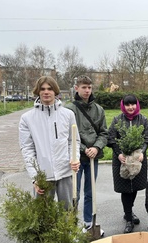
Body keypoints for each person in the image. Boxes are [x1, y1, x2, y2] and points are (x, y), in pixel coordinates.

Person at [19, 76, 80, 210]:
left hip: (65, 172)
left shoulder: (68, 115)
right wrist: (35, 177)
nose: (46, 92)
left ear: (55, 91)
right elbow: (27, 149)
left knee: (67, 213)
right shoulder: (27, 119)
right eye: (43, 89)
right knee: (42, 215)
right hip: (42, 175)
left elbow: (73, 140)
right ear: (37, 91)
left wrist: (74, 158)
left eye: (50, 89)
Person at [65, 75, 108, 234]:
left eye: (89, 87)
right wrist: (83, 148)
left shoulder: (99, 110)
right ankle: (71, 225)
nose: (87, 90)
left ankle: (88, 223)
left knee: (90, 192)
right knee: (74, 193)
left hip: (93, 157)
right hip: (76, 158)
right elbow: (68, 135)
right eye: (84, 87)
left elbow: (104, 133)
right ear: (77, 88)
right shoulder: (69, 109)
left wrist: (96, 148)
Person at [107, 94, 148, 233]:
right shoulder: (117, 120)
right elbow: (111, 138)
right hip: (122, 159)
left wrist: (142, 152)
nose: (130, 107)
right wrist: (119, 153)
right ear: (123, 105)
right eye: (127, 104)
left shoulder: (143, 120)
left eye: (133, 104)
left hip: (138, 159)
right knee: (125, 188)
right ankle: (128, 218)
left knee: (135, 187)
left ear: (137, 105)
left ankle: (129, 211)